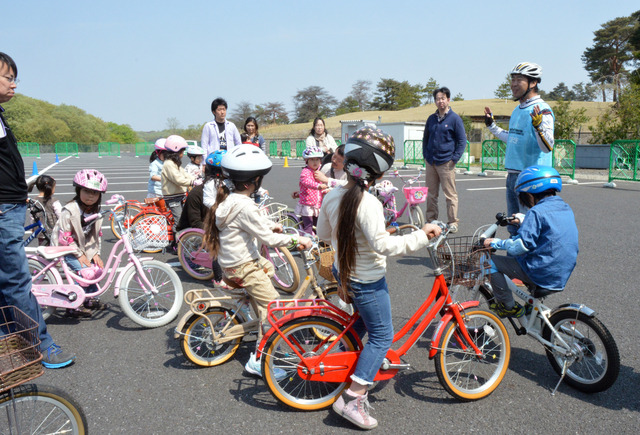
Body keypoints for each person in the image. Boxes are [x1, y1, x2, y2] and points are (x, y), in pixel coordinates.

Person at [317, 126, 441, 429]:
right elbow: (384, 246)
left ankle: (339, 358)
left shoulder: (333, 195)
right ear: (378, 174)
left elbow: (323, 234)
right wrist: (422, 236)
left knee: (361, 322)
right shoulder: (368, 203)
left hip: (344, 273)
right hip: (367, 280)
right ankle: (352, 398)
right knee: (382, 335)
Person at [202, 144, 312, 377]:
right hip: (243, 266)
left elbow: (249, 224)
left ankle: (260, 319)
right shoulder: (246, 206)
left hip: (232, 265)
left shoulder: (229, 200)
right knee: (275, 307)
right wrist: (298, 240)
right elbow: (269, 239)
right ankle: (260, 360)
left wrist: (272, 224)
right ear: (254, 181)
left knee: (268, 270)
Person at [0, 52, 75, 368]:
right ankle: (41, 346)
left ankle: (13, 343)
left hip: (9, 207)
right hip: (3, 211)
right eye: (9, 77)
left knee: (6, 281)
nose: (14, 84)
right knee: (17, 282)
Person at [483, 166, 578, 318]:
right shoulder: (565, 208)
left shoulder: (535, 213)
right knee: (542, 251)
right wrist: (524, 220)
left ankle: (508, 306)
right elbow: (547, 229)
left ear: (529, 193)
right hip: (561, 271)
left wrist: (495, 242)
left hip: (542, 272)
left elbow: (518, 247)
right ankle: (532, 305)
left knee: (487, 261)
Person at [484, 62, 555, 236]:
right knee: (514, 225)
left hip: (532, 178)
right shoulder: (517, 109)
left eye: (519, 80)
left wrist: (539, 128)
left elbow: (547, 147)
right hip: (514, 175)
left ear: (533, 83)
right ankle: (515, 260)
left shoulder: (542, 110)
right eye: (513, 79)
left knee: (530, 226)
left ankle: (530, 262)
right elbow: (514, 138)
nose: (513, 84)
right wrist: (492, 126)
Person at [52, 169, 109, 318]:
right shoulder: (70, 210)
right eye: (86, 191)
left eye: (95, 193)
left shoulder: (96, 212)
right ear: (78, 190)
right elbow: (63, 237)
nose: (91, 196)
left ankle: (88, 299)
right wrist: (79, 254)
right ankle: (72, 304)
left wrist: (95, 252)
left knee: (96, 270)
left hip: (82, 248)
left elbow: (95, 236)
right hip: (65, 248)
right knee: (85, 273)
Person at [421, 87, 467, 233]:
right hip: (431, 161)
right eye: (437, 99)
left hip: (447, 162)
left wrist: (455, 159)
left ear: (448, 100)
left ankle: (453, 222)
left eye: (442, 98)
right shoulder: (431, 119)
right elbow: (425, 138)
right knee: (431, 194)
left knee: (450, 195)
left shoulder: (455, 119)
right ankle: (431, 220)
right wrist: (425, 155)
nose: (440, 101)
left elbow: (462, 141)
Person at [161, 135, 199, 231]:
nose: (183, 153)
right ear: (177, 151)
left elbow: (184, 174)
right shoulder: (169, 164)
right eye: (182, 151)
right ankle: (173, 244)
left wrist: (196, 178)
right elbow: (178, 179)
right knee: (179, 222)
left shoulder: (174, 163)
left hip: (179, 196)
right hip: (173, 198)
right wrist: (192, 182)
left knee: (184, 219)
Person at [295, 146, 328, 235]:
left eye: (317, 159)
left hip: (317, 205)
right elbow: (306, 182)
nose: (315, 162)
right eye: (312, 159)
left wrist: (326, 190)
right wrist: (319, 186)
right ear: (307, 161)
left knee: (318, 226)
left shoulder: (319, 172)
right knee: (308, 227)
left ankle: (317, 245)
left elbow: (320, 189)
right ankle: (306, 245)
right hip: (307, 205)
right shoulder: (305, 172)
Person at [28, 174, 62, 245]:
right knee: (54, 248)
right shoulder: (53, 201)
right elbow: (61, 215)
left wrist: (32, 226)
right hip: (53, 231)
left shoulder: (34, 201)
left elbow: (32, 216)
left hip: (40, 231)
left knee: (42, 248)